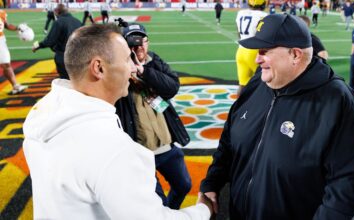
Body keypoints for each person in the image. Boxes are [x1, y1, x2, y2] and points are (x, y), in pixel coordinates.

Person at [23, 24, 212, 219]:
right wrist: (203, 210)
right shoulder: (113, 149)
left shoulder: (42, 114)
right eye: (126, 59)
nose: (132, 67)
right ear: (99, 68)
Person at [200, 14, 354, 219]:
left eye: (265, 51)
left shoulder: (336, 101)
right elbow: (229, 140)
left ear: (295, 55)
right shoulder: (258, 83)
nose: (257, 58)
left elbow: (349, 181)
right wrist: (212, 180)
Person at [115, 23, 192, 210]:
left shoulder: (154, 61)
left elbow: (172, 87)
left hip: (166, 144)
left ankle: (170, 213)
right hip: (141, 153)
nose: (139, 46)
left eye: (142, 40)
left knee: (183, 185)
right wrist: (126, 68)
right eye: (133, 41)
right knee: (157, 203)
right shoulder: (117, 69)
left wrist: (144, 71)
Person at [32, 4, 81, 80]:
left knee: (65, 82)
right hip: (78, 57)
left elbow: (49, 41)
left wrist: (38, 45)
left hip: (63, 57)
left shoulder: (59, 22)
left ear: (57, 11)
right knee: (76, 81)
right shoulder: (78, 22)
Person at [235, 0, 267, 96]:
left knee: (242, 84)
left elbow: (238, 34)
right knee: (266, 84)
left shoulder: (240, 13)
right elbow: (265, 35)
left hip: (241, 50)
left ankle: (237, 109)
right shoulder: (264, 15)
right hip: (255, 52)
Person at [0, 9, 28, 95]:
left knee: (6, 64)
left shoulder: (1, 13)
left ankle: (16, 86)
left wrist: (17, 28)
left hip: (0, 40)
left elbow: (7, 25)